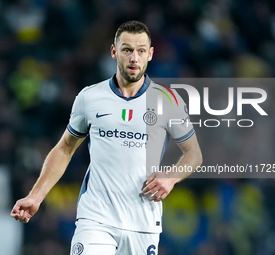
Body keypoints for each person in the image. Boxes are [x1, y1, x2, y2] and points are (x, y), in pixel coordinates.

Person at [11, 20, 203, 255]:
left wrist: (171, 178)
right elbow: (64, 149)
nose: (134, 58)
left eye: (141, 51)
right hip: (96, 219)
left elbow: (193, 154)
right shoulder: (90, 97)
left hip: (142, 223)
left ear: (150, 54)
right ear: (114, 51)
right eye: (127, 50)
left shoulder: (168, 100)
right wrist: (35, 196)